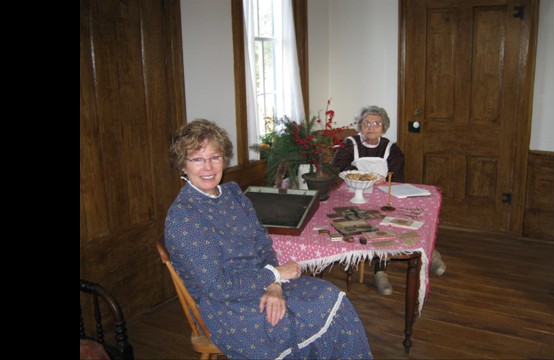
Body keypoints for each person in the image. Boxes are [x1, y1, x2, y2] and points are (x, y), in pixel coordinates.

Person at [164, 119, 373, 360]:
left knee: (331, 297)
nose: (208, 167)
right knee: (286, 322)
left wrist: (274, 286)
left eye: (215, 157)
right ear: (183, 165)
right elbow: (217, 288)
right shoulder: (184, 217)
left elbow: (262, 244)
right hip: (227, 306)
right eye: (197, 159)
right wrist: (274, 275)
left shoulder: (232, 193)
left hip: (262, 281)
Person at [332, 106, 446, 296]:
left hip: (383, 195)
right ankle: (382, 269)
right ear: (359, 126)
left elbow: (397, 177)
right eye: (366, 123)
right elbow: (338, 168)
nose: (371, 127)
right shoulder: (349, 144)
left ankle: (425, 252)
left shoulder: (391, 148)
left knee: (405, 214)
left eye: (376, 124)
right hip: (356, 196)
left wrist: (385, 181)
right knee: (371, 222)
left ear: (383, 128)